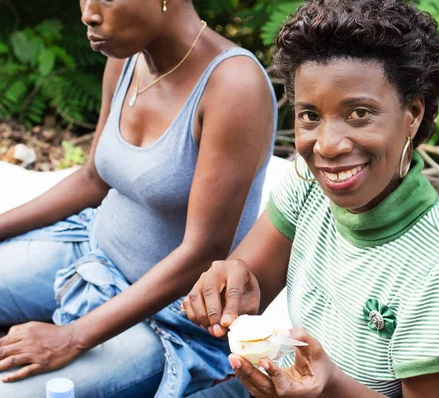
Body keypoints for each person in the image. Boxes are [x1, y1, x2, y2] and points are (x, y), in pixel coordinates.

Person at [182, 0, 439, 397]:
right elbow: (251, 281)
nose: (328, 146)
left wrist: (330, 387)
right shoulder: (307, 185)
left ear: (413, 115)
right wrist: (229, 284)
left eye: (359, 114)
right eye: (310, 116)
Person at [0, 0, 277, 396]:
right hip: (89, 249)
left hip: (165, 313)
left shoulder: (233, 86)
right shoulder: (127, 57)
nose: (88, 13)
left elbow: (203, 251)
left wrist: (72, 337)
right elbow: (93, 178)